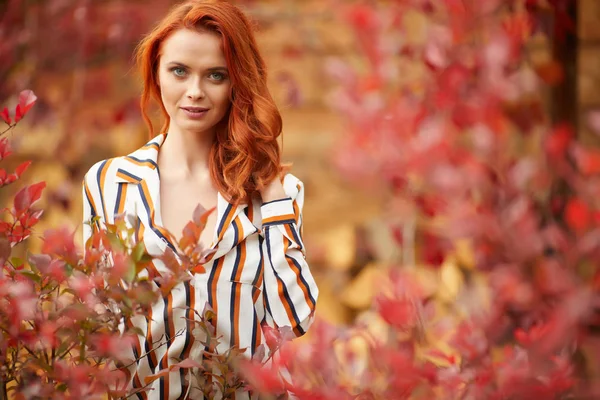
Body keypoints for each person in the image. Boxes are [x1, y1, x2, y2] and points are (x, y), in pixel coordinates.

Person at [81, 0, 319, 398]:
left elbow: (292, 319)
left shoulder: (278, 194)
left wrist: (273, 195)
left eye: (215, 75)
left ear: (237, 83)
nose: (195, 92)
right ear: (156, 73)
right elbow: (96, 324)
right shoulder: (109, 183)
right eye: (179, 71)